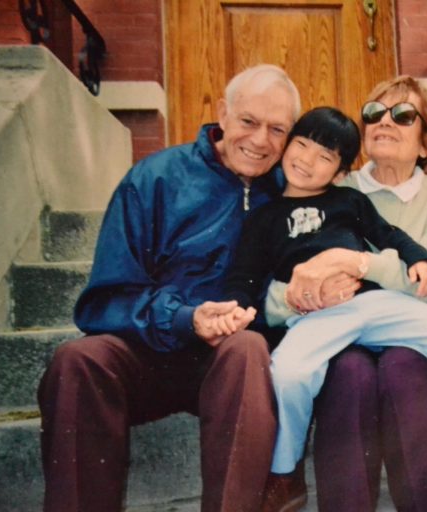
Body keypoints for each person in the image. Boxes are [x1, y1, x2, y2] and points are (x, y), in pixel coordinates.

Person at [36, 64, 301, 512]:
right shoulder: (154, 179)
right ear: (223, 113)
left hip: (233, 368)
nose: (260, 142)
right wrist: (184, 318)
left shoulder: (292, 190)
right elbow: (104, 301)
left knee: (247, 349)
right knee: (76, 360)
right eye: (249, 122)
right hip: (149, 353)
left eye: (278, 129)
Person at [211, 106, 427, 511]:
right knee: (287, 374)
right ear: (286, 148)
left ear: (339, 171)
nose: (306, 160)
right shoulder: (263, 218)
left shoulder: (349, 200)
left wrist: (419, 259)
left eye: (324, 157)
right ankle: (284, 471)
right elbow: (245, 275)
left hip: (371, 303)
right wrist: (239, 309)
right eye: (301, 147)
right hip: (314, 317)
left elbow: (388, 233)